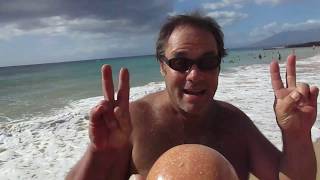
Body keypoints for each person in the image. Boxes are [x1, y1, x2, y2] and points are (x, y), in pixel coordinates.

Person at [66, 13, 318, 180]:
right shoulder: (132, 122)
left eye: (208, 62)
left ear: (219, 66)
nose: (195, 75)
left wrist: (296, 136)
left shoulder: (234, 123)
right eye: (180, 62)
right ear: (162, 66)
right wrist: (98, 153)